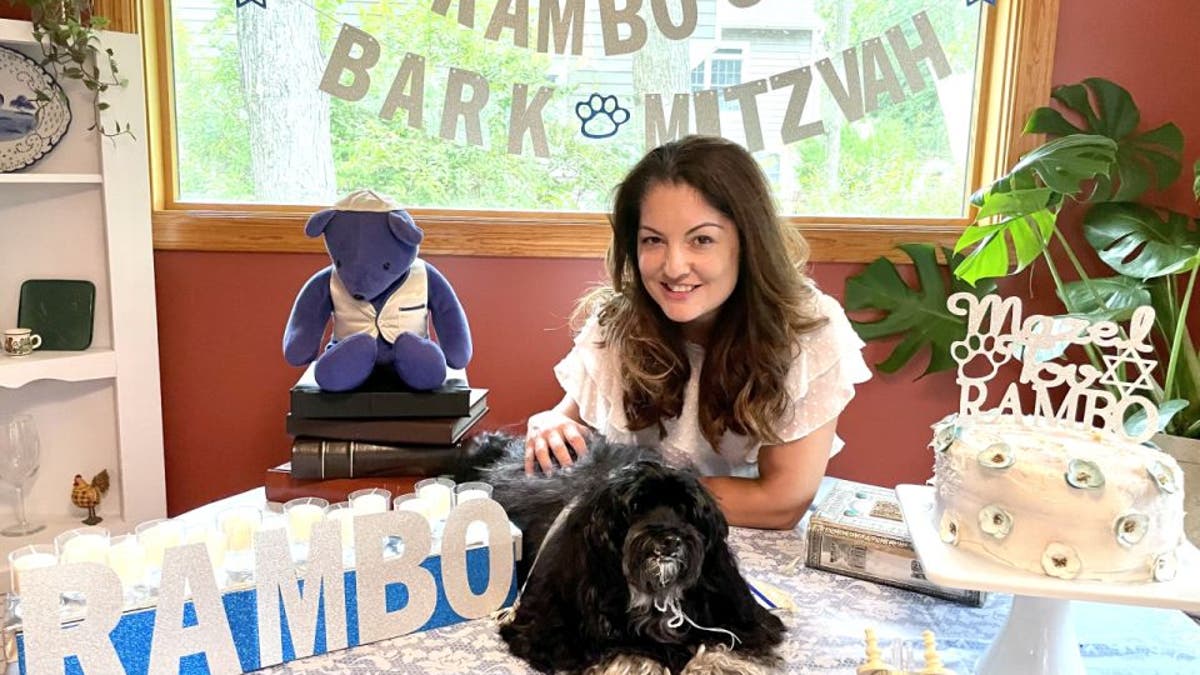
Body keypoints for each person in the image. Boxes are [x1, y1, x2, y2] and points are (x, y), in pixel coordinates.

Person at [524, 135, 872, 529]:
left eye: (701, 240)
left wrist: (635, 494)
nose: (673, 267)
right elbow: (569, 424)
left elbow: (781, 501)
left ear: (748, 242)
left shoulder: (808, 331)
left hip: (737, 540)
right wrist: (548, 423)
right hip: (635, 535)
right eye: (653, 240)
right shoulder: (618, 323)